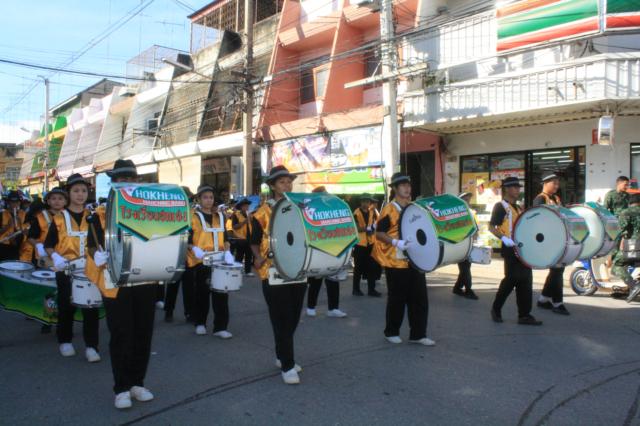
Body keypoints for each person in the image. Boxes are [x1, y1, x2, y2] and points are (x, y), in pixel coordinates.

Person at [85, 159, 157, 409]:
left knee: (143, 333)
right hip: (115, 281)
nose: (127, 183)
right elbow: (91, 244)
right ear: (114, 182)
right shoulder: (99, 214)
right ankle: (122, 388)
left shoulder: (148, 209)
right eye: (122, 179)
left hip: (145, 277)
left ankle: (138, 382)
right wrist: (96, 254)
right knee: (121, 334)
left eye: (131, 179)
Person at [250, 166, 307, 385]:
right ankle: (288, 365)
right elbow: (254, 241)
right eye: (282, 182)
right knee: (282, 317)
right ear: (272, 186)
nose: (287, 185)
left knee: (293, 316)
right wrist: (257, 256)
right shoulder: (261, 213)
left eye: (289, 181)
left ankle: (281, 354)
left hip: (298, 267)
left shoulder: (300, 208)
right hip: (272, 269)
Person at [372, 173, 435, 346]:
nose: (407, 188)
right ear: (395, 188)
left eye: (409, 185)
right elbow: (379, 233)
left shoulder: (414, 207)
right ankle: (391, 331)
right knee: (397, 298)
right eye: (403, 185)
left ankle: (418, 334)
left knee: (419, 298)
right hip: (396, 261)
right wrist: (395, 242)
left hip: (415, 259)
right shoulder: (389, 209)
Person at [44, 174, 101, 361]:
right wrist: (56, 257)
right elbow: (48, 244)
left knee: (91, 307)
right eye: (76, 191)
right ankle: (65, 340)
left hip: (89, 269)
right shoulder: (59, 218)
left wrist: (99, 254)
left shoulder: (92, 217)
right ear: (68, 193)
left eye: (84, 191)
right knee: (66, 305)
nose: (80, 194)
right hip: (66, 269)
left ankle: (92, 346)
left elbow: (98, 242)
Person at [489, 177, 542, 326]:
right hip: (510, 249)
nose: (518, 190)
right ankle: (496, 309)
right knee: (510, 280)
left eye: (519, 187)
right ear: (506, 189)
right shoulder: (500, 206)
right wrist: (504, 239)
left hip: (523, 249)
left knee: (526, 281)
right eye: (515, 187)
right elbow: (491, 227)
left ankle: (524, 315)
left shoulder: (518, 207)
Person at [188, 184, 234, 338]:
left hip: (220, 260)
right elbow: (187, 239)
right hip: (202, 260)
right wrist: (194, 249)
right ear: (199, 199)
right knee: (202, 293)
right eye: (205, 197)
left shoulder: (220, 217)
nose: (209, 200)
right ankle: (200, 323)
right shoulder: (193, 217)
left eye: (211, 197)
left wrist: (228, 252)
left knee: (221, 294)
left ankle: (220, 327)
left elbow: (225, 237)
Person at [306, 186, 348, 318]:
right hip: (317, 247)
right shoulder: (310, 208)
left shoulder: (332, 207)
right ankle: (311, 306)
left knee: (333, 278)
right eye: (323, 195)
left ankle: (333, 308)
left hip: (332, 247)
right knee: (316, 279)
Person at [532, 174, 570, 315]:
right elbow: (538, 220)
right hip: (548, 240)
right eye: (554, 183)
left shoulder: (556, 198)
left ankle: (543, 299)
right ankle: (557, 303)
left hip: (557, 238)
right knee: (557, 270)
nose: (556, 186)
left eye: (557, 184)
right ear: (545, 183)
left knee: (557, 270)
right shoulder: (540, 199)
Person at [352, 194, 382, 297]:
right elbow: (356, 228)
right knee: (358, 268)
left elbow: (378, 222)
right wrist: (368, 228)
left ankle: (371, 290)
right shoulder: (356, 213)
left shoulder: (372, 212)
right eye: (364, 201)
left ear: (369, 203)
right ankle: (356, 289)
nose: (366, 203)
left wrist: (374, 227)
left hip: (371, 243)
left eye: (367, 201)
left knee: (372, 267)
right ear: (361, 202)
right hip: (360, 244)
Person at [612, 193, 640, 303]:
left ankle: (634, 286)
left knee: (617, 266)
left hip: (634, 246)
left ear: (630, 202)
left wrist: (615, 250)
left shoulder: (626, 212)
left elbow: (619, 231)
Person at [453, 192, 478, 300]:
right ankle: (468, 289)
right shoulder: (456, 214)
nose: (468, 202)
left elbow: (475, 228)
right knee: (465, 268)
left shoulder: (470, 212)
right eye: (465, 200)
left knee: (466, 267)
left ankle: (457, 287)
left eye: (468, 200)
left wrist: (476, 237)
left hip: (469, 244)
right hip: (461, 245)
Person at [0, 190, 26, 261]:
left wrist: (20, 224)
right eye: (12, 202)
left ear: (19, 203)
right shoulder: (2, 214)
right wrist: (7, 226)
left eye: (17, 202)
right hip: (4, 245)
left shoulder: (24, 214)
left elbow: (27, 232)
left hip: (19, 246)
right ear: (8, 203)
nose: (15, 204)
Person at [231, 198, 254, 276]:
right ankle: (237, 271)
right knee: (239, 256)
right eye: (245, 206)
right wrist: (245, 221)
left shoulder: (250, 215)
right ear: (241, 207)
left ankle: (248, 271)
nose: (247, 207)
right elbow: (234, 226)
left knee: (249, 256)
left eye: (248, 206)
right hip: (240, 239)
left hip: (249, 238)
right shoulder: (236, 215)